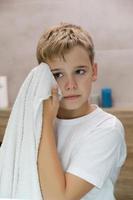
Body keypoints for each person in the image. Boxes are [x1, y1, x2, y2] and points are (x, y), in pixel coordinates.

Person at [36, 22, 127, 200]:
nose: (70, 85)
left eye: (79, 71)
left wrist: (46, 122)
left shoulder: (107, 128)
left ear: (93, 71)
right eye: (57, 74)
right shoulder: (35, 120)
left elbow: (59, 198)